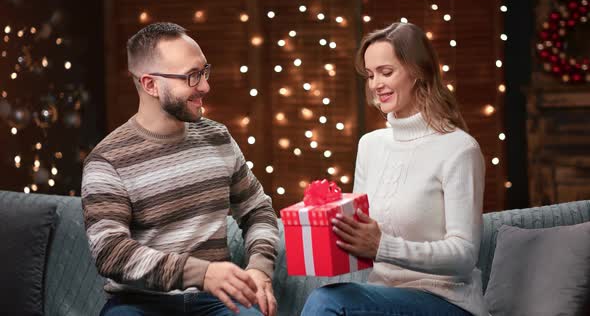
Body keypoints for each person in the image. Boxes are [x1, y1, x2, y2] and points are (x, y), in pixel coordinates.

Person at [82, 22, 279, 316]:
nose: (205, 86)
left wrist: (259, 268)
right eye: (191, 77)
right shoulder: (107, 159)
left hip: (215, 301)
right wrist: (202, 273)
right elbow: (111, 253)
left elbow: (257, 210)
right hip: (139, 304)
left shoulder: (218, 137)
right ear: (150, 84)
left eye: (203, 72)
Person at [301, 22, 488, 316]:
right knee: (325, 297)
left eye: (386, 72)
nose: (376, 84)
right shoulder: (370, 145)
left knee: (328, 302)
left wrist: (382, 246)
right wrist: (320, 228)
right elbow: (361, 234)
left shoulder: (459, 149)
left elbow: (464, 255)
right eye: (371, 74)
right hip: (382, 299)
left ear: (418, 72)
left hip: (445, 301)